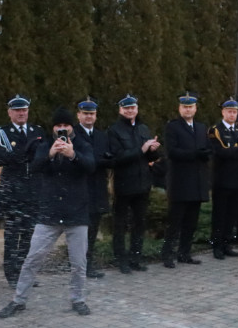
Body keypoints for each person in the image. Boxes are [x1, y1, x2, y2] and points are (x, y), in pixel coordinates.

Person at [0, 108, 95, 317]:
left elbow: (91, 166)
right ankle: (18, 300)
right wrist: (51, 154)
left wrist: (73, 156)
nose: (62, 130)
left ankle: (78, 299)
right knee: (32, 259)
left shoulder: (82, 144)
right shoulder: (44, 145)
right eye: (58, 126)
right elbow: (33, 167)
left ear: (72, 127)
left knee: (79, 263)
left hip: (76, 214)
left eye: (66, 126)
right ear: (53, 128)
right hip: (49, 214)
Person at [0, 95, 46, 287]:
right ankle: (11, 274)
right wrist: (27, 153)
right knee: (12, 236)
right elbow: (3, 157)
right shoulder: (2, 133)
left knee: (29, 237)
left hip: (33, 191)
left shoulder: (37, 131)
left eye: (24, 110)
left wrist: (28, 155)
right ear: (10, 113)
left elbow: (42, 157)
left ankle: (26, 274)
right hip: (12, 192)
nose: (21, 113)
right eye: (17, 110)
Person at [108, 94, 161, 273]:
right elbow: (117, 158)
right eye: (126, 108)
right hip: (124, 184)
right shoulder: (114, 130)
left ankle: (135, 258)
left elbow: (149, 157)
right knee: (120, 224)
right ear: (121, 110)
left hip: (142, 183)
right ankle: (121, 259)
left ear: (137, 109)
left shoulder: (143, 128)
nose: (130, 111)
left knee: (140, 223)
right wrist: (141, 150)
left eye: (133, 108)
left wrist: (154, 150)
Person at [160, 92, 211, 266]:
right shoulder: (172, 127)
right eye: (185, 107)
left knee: (191, 222)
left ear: (195, 108)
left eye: (191, 107)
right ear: (179, 108)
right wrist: (195, 154)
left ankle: (184, 253)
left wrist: (206, 154)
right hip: (180, 182)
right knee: (175, 221)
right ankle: (167, 254)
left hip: (196, 181)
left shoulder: (201, 127)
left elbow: (207, 148)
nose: (188, 110)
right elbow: (172, 152)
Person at [208, 97, 238, 261]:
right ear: (223, 112)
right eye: (229, 111)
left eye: (234, 112)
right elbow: (222, 152)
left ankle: (227, 244)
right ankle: (217, 246)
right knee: (220, 215)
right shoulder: (216, 130)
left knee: (232, 215)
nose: (232, 114)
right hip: (223, 179)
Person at [75, 97, 113, 279]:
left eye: (92, 114)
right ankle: (79, 266)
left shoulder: (101, 136)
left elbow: (108, 158)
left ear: (96, 116)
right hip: (80, 188)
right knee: (79, 232)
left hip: (97, 188)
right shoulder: (73, 134)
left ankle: (88, 265)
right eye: (85, 113)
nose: (89, 117)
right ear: (79, 115)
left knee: (92, 230)